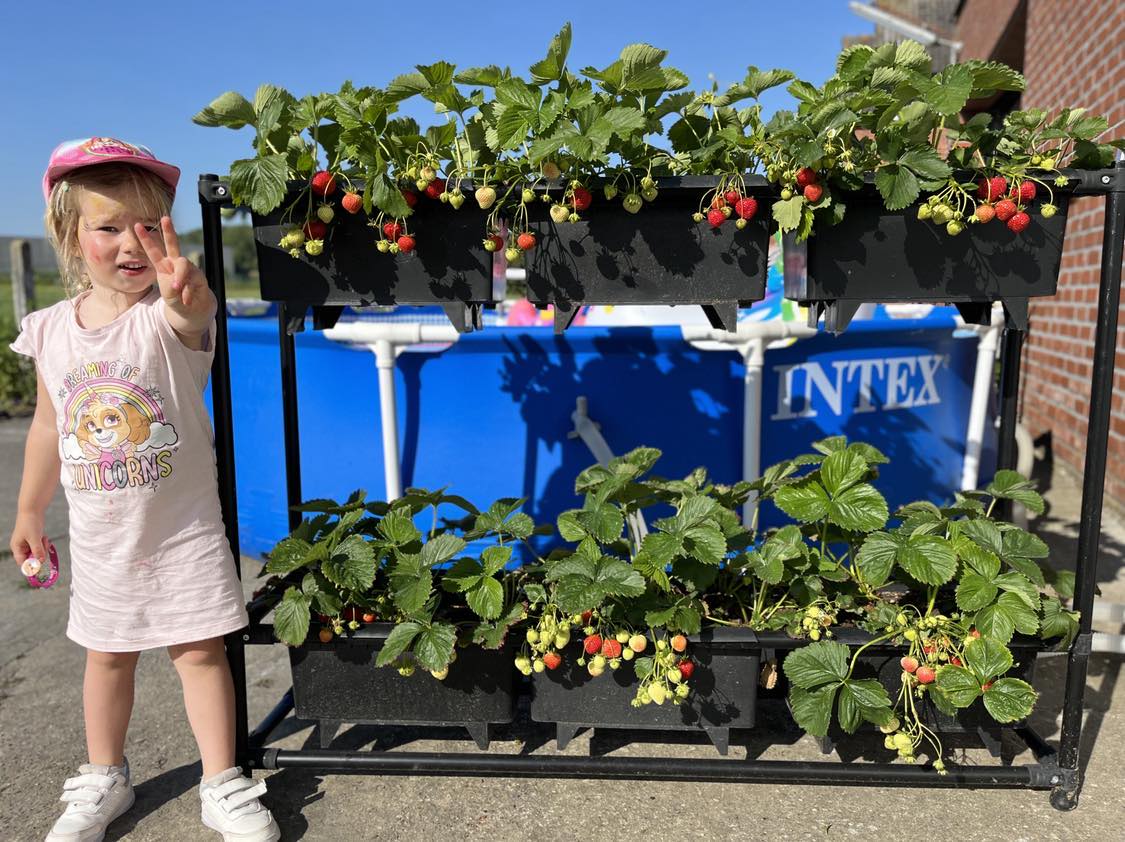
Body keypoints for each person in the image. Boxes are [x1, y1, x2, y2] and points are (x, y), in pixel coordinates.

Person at [8, 137, 280, 842]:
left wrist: (189, 299)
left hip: (182, 531)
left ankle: (222, 781)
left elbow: (194, 319)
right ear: (69, 237)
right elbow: (46, 427)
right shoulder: (47, 330)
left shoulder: (165, 318)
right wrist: (30, 508)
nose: (131, 242)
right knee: (106, 656)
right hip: (102, 540)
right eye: (107, 226)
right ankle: (104, 776)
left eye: (148, 226)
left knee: (198, 653)